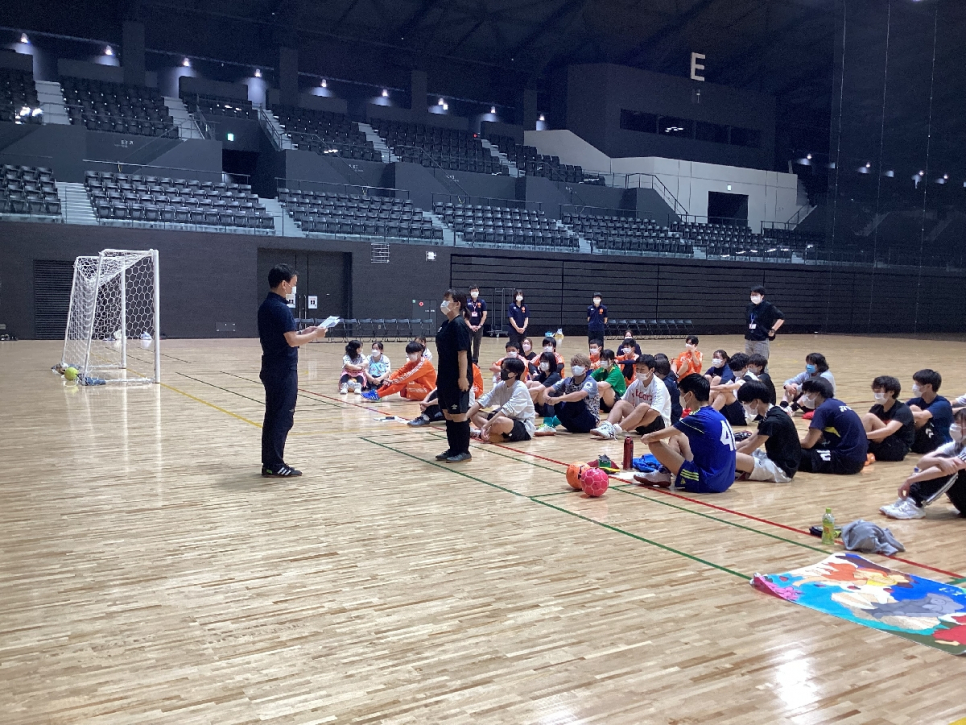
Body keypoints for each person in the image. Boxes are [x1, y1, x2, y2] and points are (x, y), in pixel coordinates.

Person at [257, 263, 326, 478]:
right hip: (282, 370)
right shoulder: (281, 308)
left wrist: (304, 332)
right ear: (284, 284)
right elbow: (292, 341)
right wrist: (315, 335)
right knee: (282, 418)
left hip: (271, 367)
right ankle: (275, 464)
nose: (294, 288)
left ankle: (270, 463)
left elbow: (287, 336)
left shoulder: (267, 305)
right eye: (293, 284)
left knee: (273, 417)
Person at [633, 374, 736, 493]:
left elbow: (654, 436)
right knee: (678, 435)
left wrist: (644, 435)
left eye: (682, 394)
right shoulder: (716, 413)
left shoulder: (697, 418)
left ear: (690, 395)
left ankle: (663, 472)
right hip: (726, 479)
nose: (680, 397)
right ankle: (664, 472)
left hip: (707, 481)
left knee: (654, 443)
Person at [880, 408, 966, 519]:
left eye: (959, 423)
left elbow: (950, 468)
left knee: (951, 466)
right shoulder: (956, 444)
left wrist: (910, 481)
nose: (955, 426)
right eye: (955, 423)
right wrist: (939, 460)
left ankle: (915, 503)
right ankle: (910, 499)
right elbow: (922, 463)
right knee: (942, 460)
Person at [433, 289, 473, 463]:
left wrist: (463, 377)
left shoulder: (459, 324)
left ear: (457, 304)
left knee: (458, 414)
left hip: (457, 376)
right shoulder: (446, 324)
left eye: (447, 299)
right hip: (444, 375)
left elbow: (462, 353)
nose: (443, 303)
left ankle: (463, 451)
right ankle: (453, 449)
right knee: (448, 413)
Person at [797, 378, 868, 475]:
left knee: (792, 453)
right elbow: (819, 439)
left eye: (806, 393)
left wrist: (789, 443)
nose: (804, 397)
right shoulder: (837, 404)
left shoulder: (823, 409)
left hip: (845, 461)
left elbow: (808, 443)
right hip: (857, 459)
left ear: (817, 393)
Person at [734, 380, 801, 483]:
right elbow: (749, 440)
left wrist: (724, 459)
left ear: (756, 401)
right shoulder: (771, 413)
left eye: (745, 402)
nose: (744, 405)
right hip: (771, 458)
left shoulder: (772, 421)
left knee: (734, 458)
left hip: (781, 469)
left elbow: (749, 447)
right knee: (733, 445)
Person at [591, 354, 670, 440]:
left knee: (643, 406)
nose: (639, 372)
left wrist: (635, 425)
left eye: (642, 369)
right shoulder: (636, 383)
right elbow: (623, 402)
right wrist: (621, 418)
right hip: (640, 423)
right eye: (637, 369)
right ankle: (607, 426)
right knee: (621, 403)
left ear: (651, 370)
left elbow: (654, 412)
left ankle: (615, 430)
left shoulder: (659, 386)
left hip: (658, 426)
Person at [469, 357, 536, 443]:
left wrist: (485, 426)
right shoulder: (502, 385)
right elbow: (482, 401)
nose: (502, 371)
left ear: (514, 374)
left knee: (499, 420)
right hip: (506, 419)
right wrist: (463, 419)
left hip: (523, 426)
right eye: (502, 368)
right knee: (474, 413)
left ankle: (486, 434)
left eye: (505, 369)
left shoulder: (520, 388)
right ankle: (489, 433)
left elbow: (504, 412)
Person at [532, 354, 600, 435]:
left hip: (588, 422)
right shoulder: (567, 380)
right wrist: (546, 396)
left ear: (586, 368)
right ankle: (547, 424)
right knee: (552, 395)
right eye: (573, 365)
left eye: (578, 365)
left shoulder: (590, 382)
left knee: (575, 400)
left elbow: (580, 395)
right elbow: (549, 388)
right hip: (570, 422)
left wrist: (559, 399)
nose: (575, 367)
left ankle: (552, 424)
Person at [410, 362, 483, 427]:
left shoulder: (462, 380)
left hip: (465, 410)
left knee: (441, 397)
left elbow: (446, 398)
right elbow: (434, 391)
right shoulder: (448, 377)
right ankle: (426, 416)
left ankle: (426, 417)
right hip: (453, 406)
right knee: (439, 392)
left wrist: (428, 404)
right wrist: (424, 402)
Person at [861, 376, 915, 462]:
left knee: (869, 417)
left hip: (896, 449)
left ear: (891, 392)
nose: (876, 394)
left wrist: (863, 436)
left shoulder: (902, 410)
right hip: (880, 445)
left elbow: (889, 430)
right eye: (875, 391)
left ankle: (857, 451)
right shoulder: (876, 408)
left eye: (879, 391)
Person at [363, 341, 436, 401]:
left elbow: (409, 376)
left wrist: (393, 381)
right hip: (418, 387)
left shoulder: (424, 364)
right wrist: (390, 379)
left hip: (428, 391)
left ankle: (378, 395)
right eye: (409, 353)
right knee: (398, 379)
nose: (410, 355)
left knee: (404, 381)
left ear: (420, 352)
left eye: (413, 353)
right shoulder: (411, 363)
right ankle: (377, 392)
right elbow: (399, 371)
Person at [907, 369, 953, 454]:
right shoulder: (916, 401)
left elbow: (922, 416)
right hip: (923, 440)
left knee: (913, 409)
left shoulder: (942, 404)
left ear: (928, 386)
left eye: (917, 384)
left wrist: (901, 414)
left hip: (940, 442)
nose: (914, 387)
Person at [709, 352, 754, 427]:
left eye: (737, 369)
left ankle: (709, 417)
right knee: (714, 392)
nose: (735, 371)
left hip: (744, 416)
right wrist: (712, 389)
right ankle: (703, 413)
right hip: (734, 410)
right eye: (733, 369)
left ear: (746, 366)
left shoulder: (749, 378)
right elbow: (725, 385)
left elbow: (727, 388)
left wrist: (708, 387)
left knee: (725, 394)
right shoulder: (737, 376)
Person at [745, 285, 784, 358]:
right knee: (749, 361)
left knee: (760, 361)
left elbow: (781, 317)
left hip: (761, 340)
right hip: (749, 339)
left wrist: (773, 330)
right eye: (752, 295)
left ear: (762, 296)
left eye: (756, 295)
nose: (753, 297)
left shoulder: (768, 306)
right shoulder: (749, 306)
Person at [653, 356, 682, 424]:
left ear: (660, 371)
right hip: (673, 410)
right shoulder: (669, 375)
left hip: (671, 414)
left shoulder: (666, 384)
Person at [466, 284, 488, 364]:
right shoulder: (467, 302)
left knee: (477, 345)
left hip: (479, 327)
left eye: (476, 291)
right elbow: (465, 316)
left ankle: (475, 361)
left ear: (478, 292)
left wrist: (480, 325)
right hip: (469, 327)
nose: (474, 292)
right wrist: (470, 326)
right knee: (467, 344)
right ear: (470, 292)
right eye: (473, 291)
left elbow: (484, 315)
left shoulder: (482, 302)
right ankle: (468, 361)